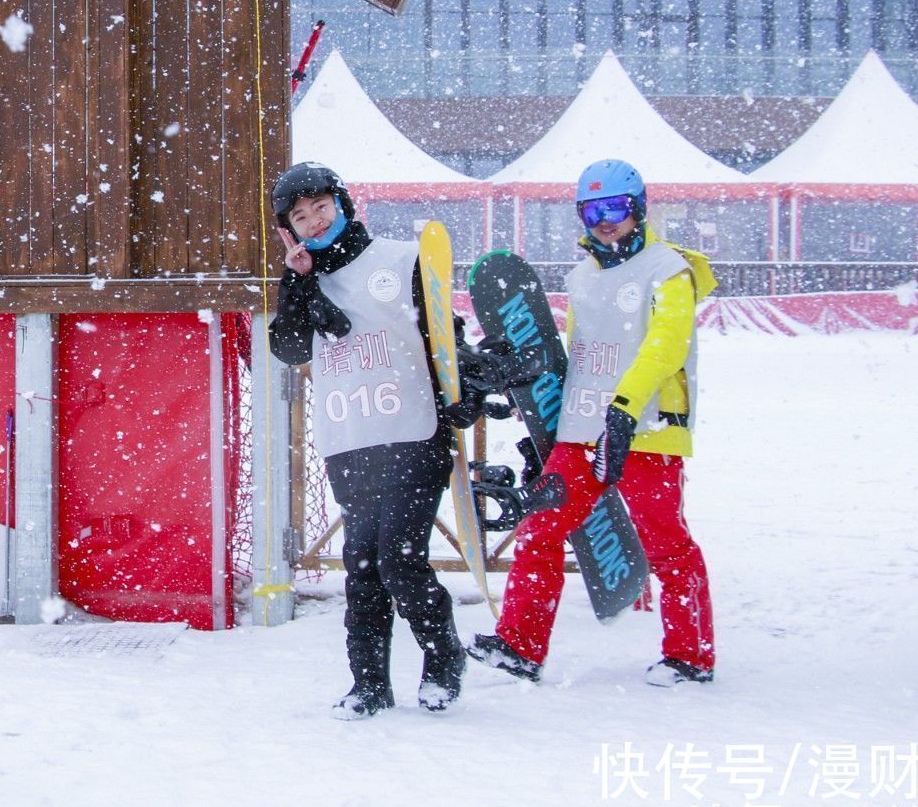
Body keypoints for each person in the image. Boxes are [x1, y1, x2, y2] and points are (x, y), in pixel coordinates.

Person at [268, 162, 519, 719]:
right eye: (301, 217)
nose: (315, 221)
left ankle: (443, 654)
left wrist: (465, 391)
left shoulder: (401, 259)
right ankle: (369, 685)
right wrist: (298, 280)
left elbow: (444, 338)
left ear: (342, 203)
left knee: (398, 561)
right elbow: (289, 349)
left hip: (412, 431)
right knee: (362, 566)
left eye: (321, 207)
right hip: (350, 438)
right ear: (290, 229)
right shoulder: (306, 282)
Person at [468, 158, 717, 688]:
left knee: (666, 543)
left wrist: (624, 408)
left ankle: (690, 656)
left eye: (617, 208)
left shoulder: (669, 269)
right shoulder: (582, 277)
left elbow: (665, 346)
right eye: (592, 211)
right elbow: (581, 357)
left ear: (639, 208)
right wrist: (550, 417)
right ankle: (520, 644)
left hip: (647, 428)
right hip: (582, 432)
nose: (606, 221)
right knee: (540, 530)